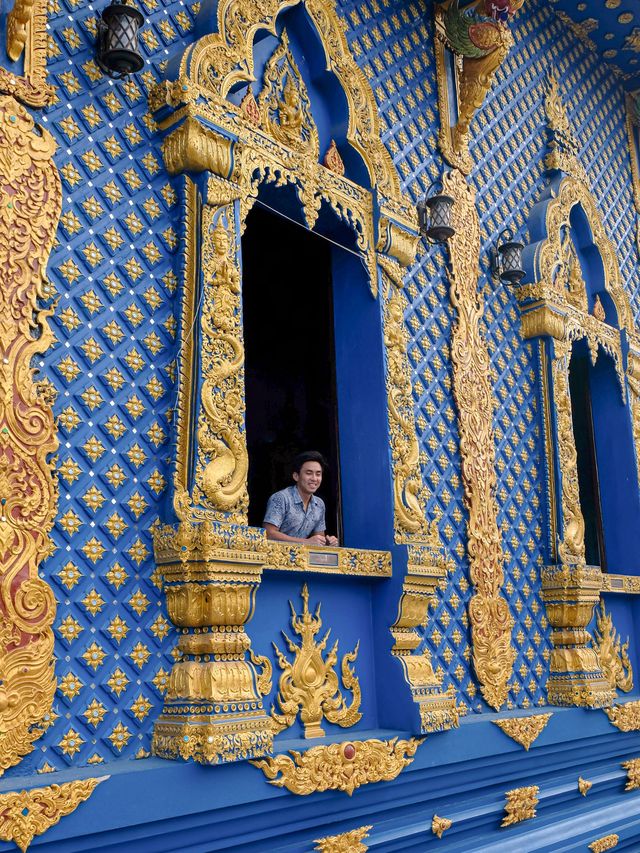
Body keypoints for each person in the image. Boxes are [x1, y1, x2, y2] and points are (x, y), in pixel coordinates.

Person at [264, 451, 339, 546]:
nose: (314, 478)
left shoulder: (319, 504)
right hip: (276, 557)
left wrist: (328, 542)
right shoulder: (281, 498)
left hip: (302, 559)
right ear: (296, 476)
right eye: (309, 473)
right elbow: (269, 533)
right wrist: (306, 542)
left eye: (318, 474)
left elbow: (319, 539)